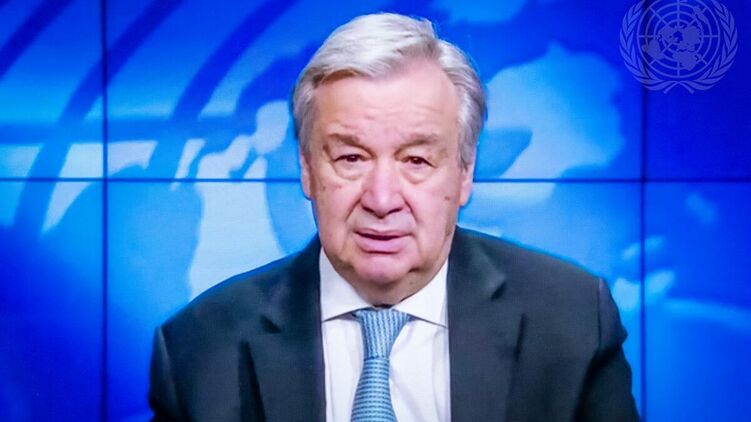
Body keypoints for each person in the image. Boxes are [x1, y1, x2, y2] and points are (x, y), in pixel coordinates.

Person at [149, 12, 639, 422]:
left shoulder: (572, 323)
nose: (382, 200)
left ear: (464, 173)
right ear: (307, 169)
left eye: (417, 160)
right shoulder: (199, 348)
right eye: (351, 158)